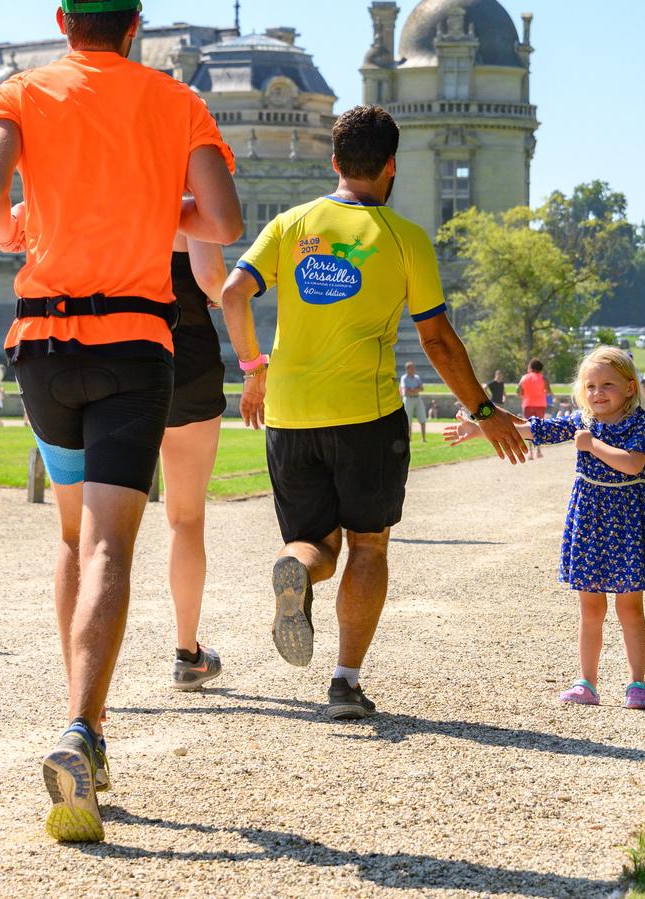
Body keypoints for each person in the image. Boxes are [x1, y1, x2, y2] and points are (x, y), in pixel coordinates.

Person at [0, 0, 241, 844]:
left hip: (43, 346)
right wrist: (159, 210)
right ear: (135, 23)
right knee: (112, 544)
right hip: (133, 343)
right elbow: (224, 221)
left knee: (71, 537)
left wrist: (17, 228)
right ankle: (84, 726)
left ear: (62, 19)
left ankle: (83, 718)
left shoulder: (21, 92)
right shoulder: (177, 101)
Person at [219, 104, 527, 723]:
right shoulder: (405, 237)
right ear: (391, 166)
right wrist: (484, 409)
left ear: (334, 162)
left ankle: (296, 568)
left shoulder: (290, 223)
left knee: (313, 544)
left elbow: (232, 294)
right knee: (368, 545)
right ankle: (344, 683)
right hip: (367, 413)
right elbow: (437, 340)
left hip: (289, 413)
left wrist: (253, 371)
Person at [445, 346, 645, 709]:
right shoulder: (582, 420)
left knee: (630, 608)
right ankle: (587, 682)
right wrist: (481, 430)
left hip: (627, 520)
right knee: (591, 608)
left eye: (607, 385)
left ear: (630, 387)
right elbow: (537, 429)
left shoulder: (639, 422)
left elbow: (633, 464)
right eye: (591, 386)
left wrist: (592, 445)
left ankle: (637, 683)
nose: (598, 393)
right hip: (590, 520)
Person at [160, 232, 229, 690]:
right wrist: (225, 294)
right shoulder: (187, 205)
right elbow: (211, 277)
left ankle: (89, 677)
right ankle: (187, 655)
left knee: (98, 526)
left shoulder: (96, 195)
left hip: (111, 353)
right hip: (187, 359)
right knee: (186, 518)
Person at [518, 359, 551, 459]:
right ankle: (538, 451)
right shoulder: (543, 378)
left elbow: (519, 391)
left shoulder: (524, 378)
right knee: (538, 426)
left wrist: (525, 394)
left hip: (527, 404)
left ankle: (530, 452)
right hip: (540, 405)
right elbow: (548, 391)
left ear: (530, 367)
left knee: (528, 426)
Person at [400, 361, 427, 442]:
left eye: (414, 368)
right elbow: (405, 391)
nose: (414, 369)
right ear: (407, 369)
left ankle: (424, 439)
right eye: (412, 368)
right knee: (408, 420)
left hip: (417, 398)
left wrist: (412, 390)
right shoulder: (404, 378)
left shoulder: (417, 377)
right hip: (408, 400)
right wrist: (416, 389)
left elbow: (422, 388)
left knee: (422, 418)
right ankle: (409, 439)